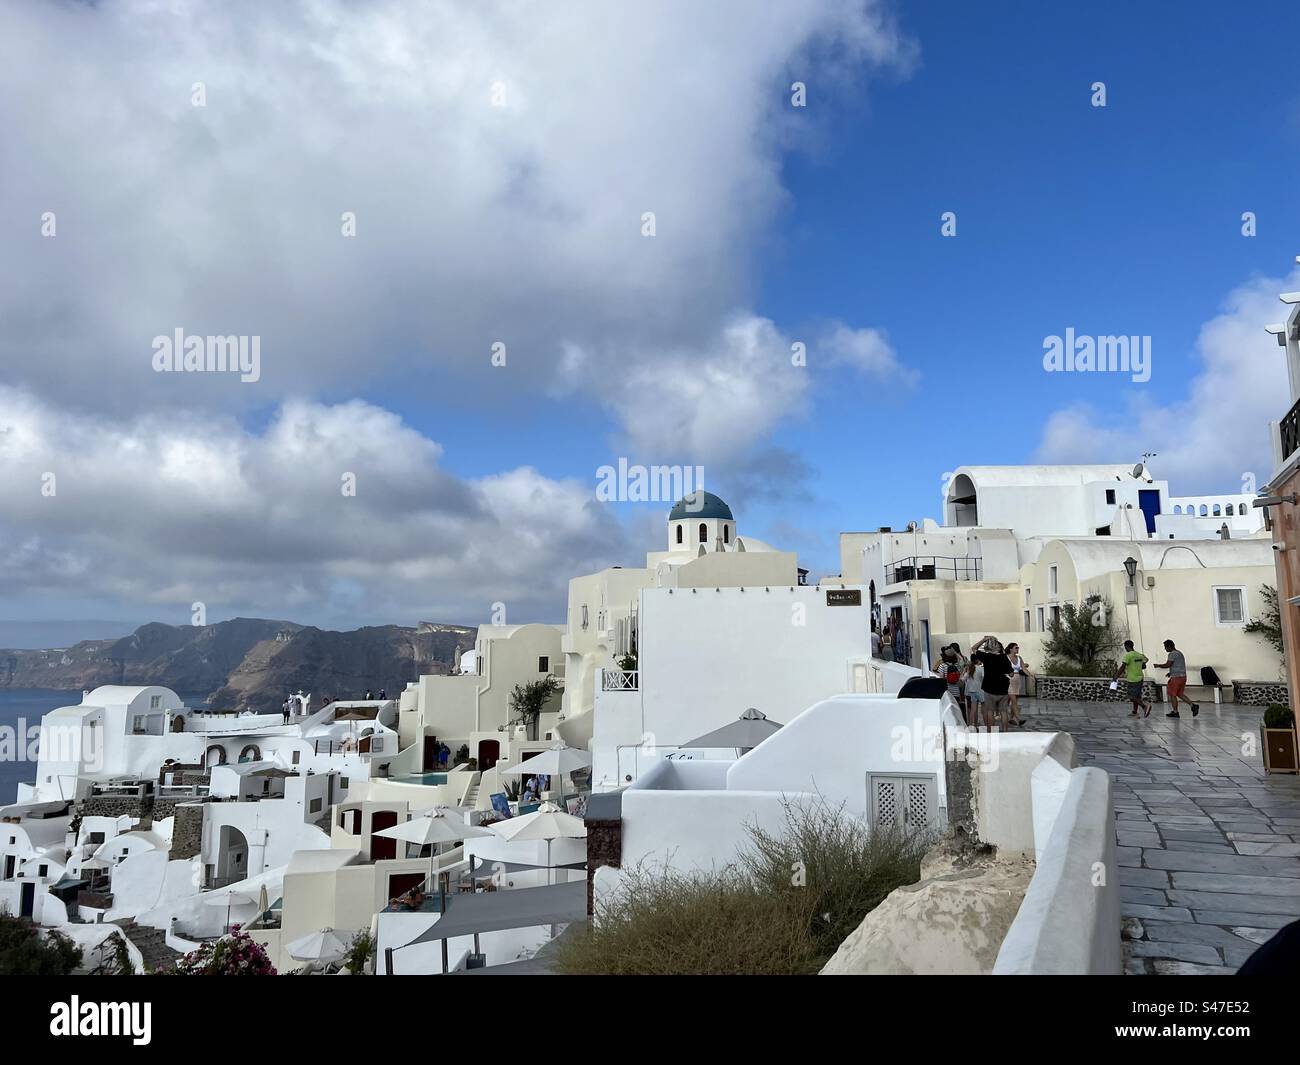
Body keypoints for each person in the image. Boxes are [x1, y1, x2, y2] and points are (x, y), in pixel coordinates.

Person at [972, 635, 1015, 731]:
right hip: (1003, 688)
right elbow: (1011, 674)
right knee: (1003, 712)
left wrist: (984, 639)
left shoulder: (986, 657)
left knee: (990, 711)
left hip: (989, 687)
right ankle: (1005, 731)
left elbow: (974, 648)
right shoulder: (1004, 658)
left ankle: (990, 731)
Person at [1152, 639, 1198, 718]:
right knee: (1179, 694)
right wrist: (1171, 672)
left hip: (1176, 678)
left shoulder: (1172, 654)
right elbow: (1178, 665)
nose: (1165, 649)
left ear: (1169, 646)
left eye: (1165, 647)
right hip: (1183, 677)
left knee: (1172, 694)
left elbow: (1168, 664)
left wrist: (1158, 665)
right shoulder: (1179, 653)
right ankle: (1192, 705)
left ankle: (1175, 712)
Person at [1115, 640, 1153, 718]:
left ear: (1126, 646)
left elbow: (1123, 667)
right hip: (1140, 677)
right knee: (1137, 696)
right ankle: (1134, 711)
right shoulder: (1139, 655)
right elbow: (1145, 661)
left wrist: (1116, 676)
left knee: (1132, 696)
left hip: (1132, 678)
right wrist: (1141, 665)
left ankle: (1144, 707)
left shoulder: (1128, 655)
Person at [1005, 642, 1033, 727]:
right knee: (1013, 701)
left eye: (1018, 648)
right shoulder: (1006, 658)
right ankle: (1018, 719)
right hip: (1008, 680)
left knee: (1014, 701)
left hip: (1017, 680)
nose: (1017, 649)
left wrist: (1030, 675)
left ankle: (1012, 718)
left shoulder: (1019, 658)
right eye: (1016, 648)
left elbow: (1023, 668)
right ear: (1011, 649)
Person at [964, 654, 985, 729]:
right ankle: (979, 724)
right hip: (980, 690)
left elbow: (964, 678)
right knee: (983, 708)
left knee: (973, 709)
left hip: (971, 691)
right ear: (978, 660)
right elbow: (984, 678)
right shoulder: (981, 668)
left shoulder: (970, 668)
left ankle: (970, 724)